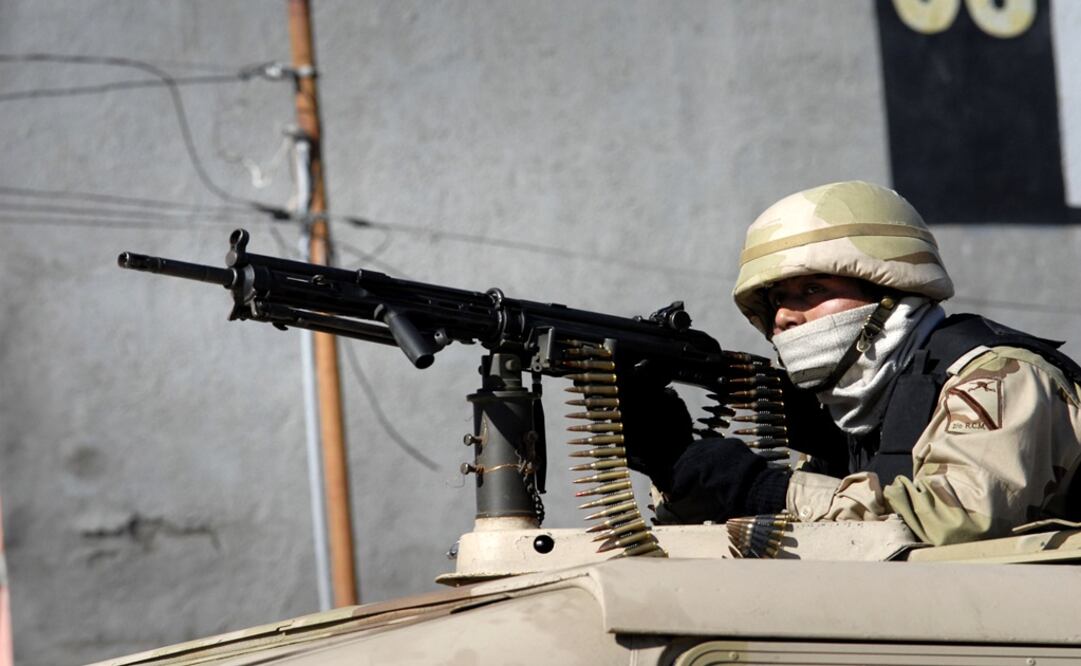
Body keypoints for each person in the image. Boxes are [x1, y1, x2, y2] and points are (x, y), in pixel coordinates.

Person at [625, 180, 1081, 546]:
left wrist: (765, 490)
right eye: (779, 299)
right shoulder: (853, 407)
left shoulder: (1002, 376)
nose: (785, 315)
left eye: (813, 291)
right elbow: (805, 541)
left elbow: (959, 520)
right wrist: (676, 467)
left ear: (889, 289)